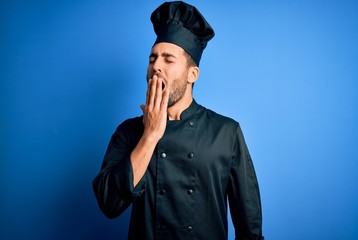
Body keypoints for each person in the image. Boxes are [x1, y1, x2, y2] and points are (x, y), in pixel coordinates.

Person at [93, 1, 264, 239]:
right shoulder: (129, 132)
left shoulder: (226, 132)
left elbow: (249, 226)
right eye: (152, 59)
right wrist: (150, 135)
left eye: (168, 59)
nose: (156, 67)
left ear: (192, 74)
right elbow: (109, 204)